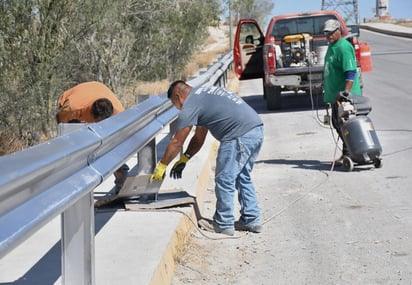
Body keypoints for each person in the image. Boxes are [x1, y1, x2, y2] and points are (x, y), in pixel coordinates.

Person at [150, 80, 264, 236]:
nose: (177, 108)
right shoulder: (203, 95)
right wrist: (185, 158)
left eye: (174, 103)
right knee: (241, 176)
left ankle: (223, 223)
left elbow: (177, 142)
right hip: (255, 129)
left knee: (225, 179)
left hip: (237, 136)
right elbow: (199, 137)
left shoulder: (190, 104)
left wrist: (162, 165)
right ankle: (251, 219)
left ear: (178, 96)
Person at [56, 81, 129, 193]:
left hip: (98, 89)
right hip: (74, 108)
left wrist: (117, 162)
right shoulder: (73, 108)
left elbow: (120, 140)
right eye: (99, 122)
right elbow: (61, 123)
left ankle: (121, 178)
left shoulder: (118, 111)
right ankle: (75, 181)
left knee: (112, 143)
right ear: (92, 115)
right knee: (77, 146)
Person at [323, 19, 362, 165]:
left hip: (344, 96)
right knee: (337, 124)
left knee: (346, 125)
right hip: (334, 95)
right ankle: (348, 152)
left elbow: (351, 72)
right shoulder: (332, 46)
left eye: (331, 33)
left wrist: (345, 93)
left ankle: (351, 153)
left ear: (339, 30)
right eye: (326, 33)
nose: (329, 36)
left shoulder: (343, 47)